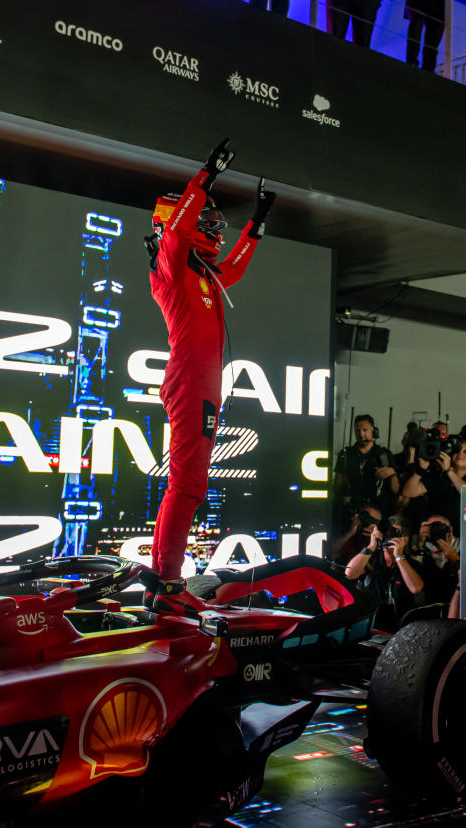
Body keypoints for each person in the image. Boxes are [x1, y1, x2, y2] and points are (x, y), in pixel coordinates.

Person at [142, 138, 275, 614]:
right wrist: (205, 176)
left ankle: (163, 580)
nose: (214, 230)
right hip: (191, 384)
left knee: (187, 485)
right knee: (188, 486)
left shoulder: (204, 275)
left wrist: (257, 226)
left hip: (201, 388)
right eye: (207, 221)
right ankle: (166, 581)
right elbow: (175, 234)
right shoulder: (170, 268)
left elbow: (233, 269)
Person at [333, 414, 398, 521]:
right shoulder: (346, 454)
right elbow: (337, 485)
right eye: (357, 431)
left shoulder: (384, 454)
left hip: (378, 509)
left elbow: (395, 490)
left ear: (374, 431)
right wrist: (343, 495)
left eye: (365, 430)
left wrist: (392, 473)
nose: (361, 434)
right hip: (352, 509)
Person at [405, 0, 444, 71]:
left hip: (440, 7)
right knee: (416, 31)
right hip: (435, 7)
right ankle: (412, 63)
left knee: (432, 41)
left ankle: (424, 68)